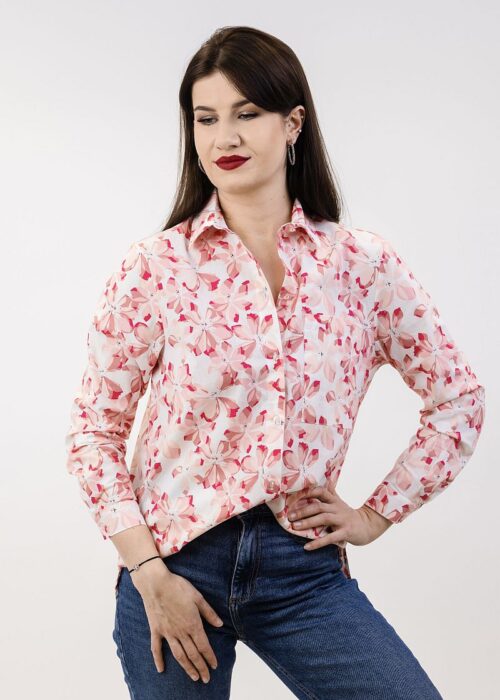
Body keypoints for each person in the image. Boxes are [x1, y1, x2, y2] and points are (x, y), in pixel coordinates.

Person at [65, 25, 485, 700]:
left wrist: (376, 514)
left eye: (247, 113)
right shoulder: (156, 267)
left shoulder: (361, 266)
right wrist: (147, 572)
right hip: (175, 568)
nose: (223, 138)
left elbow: (458, 399)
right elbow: (94, 432)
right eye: (206, 118)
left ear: (293, 124)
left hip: (303, 570)